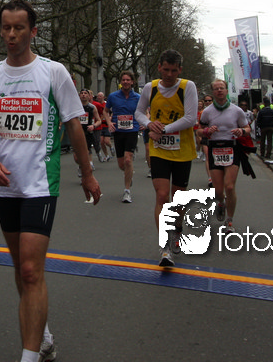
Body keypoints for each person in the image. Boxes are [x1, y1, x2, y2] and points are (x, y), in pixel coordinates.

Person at [0, 0, 101, 362]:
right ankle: (42, 336)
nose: (11, 35)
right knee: (21, 268)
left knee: (31, 269)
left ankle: (29, 356)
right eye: (6, 28)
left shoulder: (53, 72)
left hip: (41, 184)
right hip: (4, 184)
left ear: (33, 31)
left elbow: (74, 124)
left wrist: (87, 172)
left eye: (19, 28)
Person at [134, 49, 199, 267]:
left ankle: (178, 227)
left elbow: (190, 118)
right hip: (159, 150)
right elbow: (138, 113)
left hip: (182, 150)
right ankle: (165, 248)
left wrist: (163, 129)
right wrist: (148, 123)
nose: (169, 74)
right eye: (166, 70)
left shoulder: (187, 87)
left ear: (180, 70)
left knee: (178, 199)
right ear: (159, 67)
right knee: (162, 196)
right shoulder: (150, 88)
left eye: (174, 70)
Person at [199, 79, 251, 235]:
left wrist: (242, 131)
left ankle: (229, 220)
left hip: (232, 148)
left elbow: (247, 128)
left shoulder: (237, 111)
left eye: (222, 88)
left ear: (227, 91)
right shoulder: (207, 112)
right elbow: (199, 130)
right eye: (216, 89)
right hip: (215, 148)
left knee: (229, 187)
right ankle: (221, 203)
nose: (219, 90)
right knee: (218, 190)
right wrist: (206, 131)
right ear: (213, 92)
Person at [105, 71, 142, 203]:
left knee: (127, 159)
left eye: (128, 80)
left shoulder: (138, 97)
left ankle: (127, 191)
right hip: (118, 131)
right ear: (120, 82)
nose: (125, 82)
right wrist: (109, 123)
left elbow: (145, 112)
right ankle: (129, 174)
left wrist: (144, 122)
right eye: (123, 80)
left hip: (132, 130)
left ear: (132, 82)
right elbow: (105, 111)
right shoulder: (113, 96)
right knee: (122, 164)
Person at [79, 89, 103, 164]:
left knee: (91, 146)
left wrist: (93, 126)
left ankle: (90, 162)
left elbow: (99, 120)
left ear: (89, 96)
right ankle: (82, 164)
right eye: (82, 93)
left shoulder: (92, 107)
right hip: (78, 131)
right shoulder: (76, 107)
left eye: (85, 93)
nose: (83, 95)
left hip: (88, 130)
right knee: (79, 151)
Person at [93, 92, 112, 161]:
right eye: (98, 96)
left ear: (103, 97)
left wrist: (110, 119)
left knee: (106, 141)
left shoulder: (106, 104)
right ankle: (107, 155)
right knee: (101, 141)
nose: (99, 97)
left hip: (106, 124)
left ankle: (111, 147)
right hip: (100, 125)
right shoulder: (95, 105)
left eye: (100, 96)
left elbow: (110, 113)